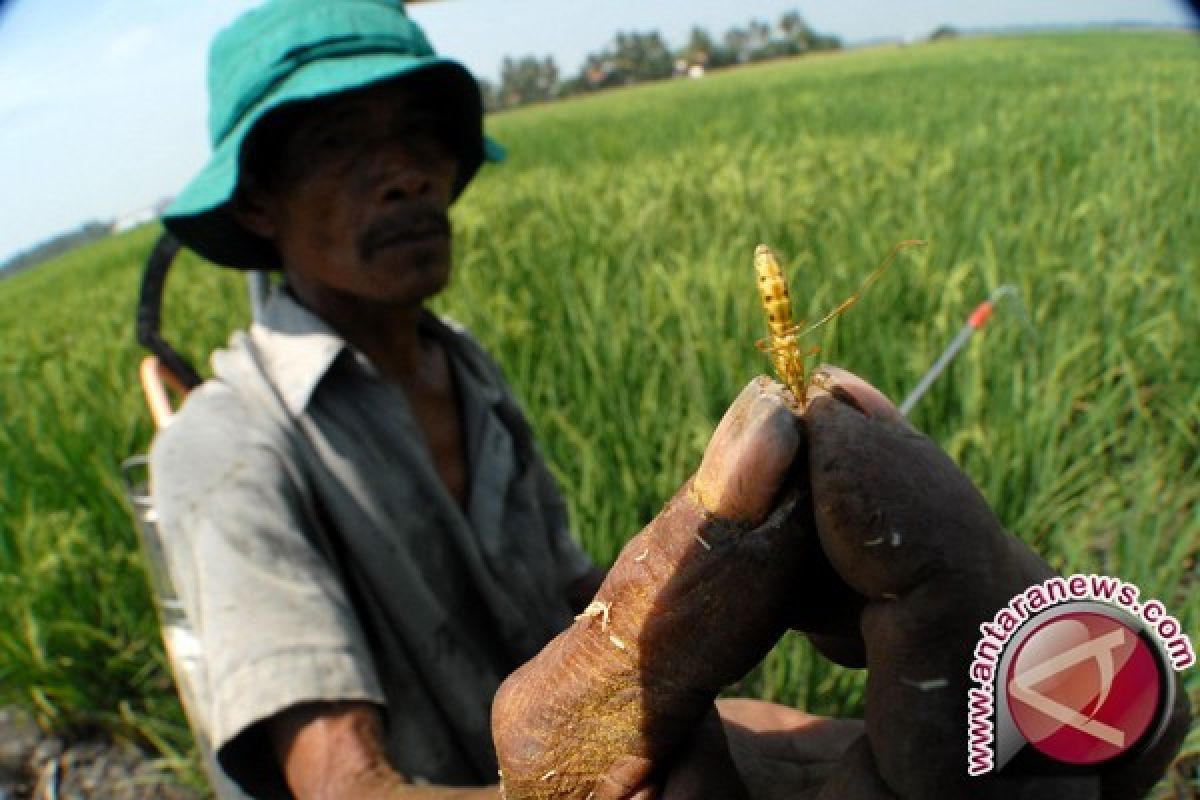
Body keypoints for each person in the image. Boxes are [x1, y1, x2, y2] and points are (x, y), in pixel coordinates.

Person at [151, 1, 1189, 798]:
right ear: (255, 201)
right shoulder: (226, 446)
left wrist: (741, 578)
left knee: (1003, 747)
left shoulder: (460, 362)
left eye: (419, 136)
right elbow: (340, 782)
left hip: (611, 753)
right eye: (339, 145)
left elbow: (571, 592)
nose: (405, 177)